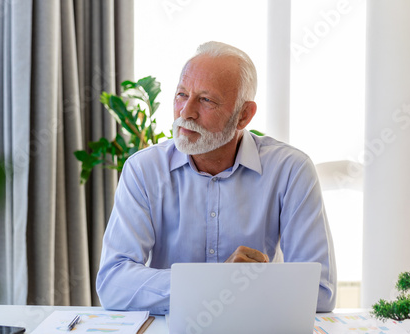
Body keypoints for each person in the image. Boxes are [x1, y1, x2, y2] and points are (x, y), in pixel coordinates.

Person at [96, 41, 336, 314]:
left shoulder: (291, 170)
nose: (186, 112)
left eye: (206, 100)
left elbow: (319, 292)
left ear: (243, 115)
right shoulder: (143, 170)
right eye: (182, 95)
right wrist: (216, 284)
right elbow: (113, 283)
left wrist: (217, 290)